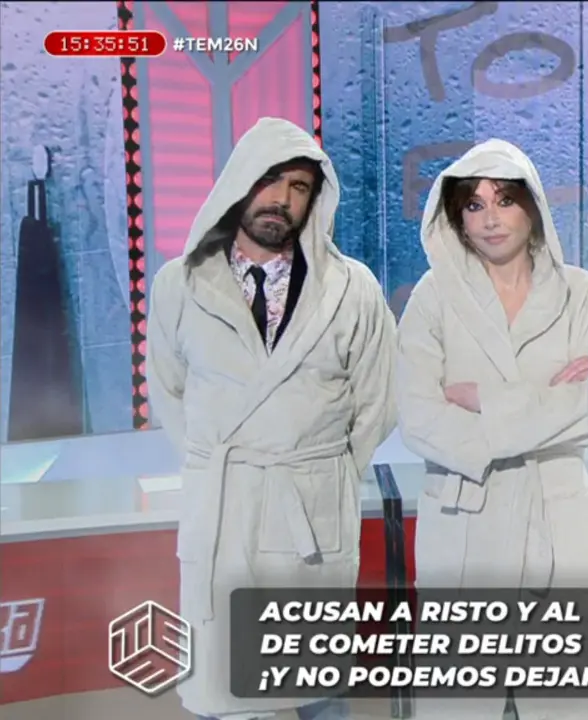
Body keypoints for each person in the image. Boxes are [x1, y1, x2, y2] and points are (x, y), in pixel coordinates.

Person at [146, 117, 398, 720]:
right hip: (223, 510)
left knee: (319, 696)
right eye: (269, 180)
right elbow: (169, 392)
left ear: (316, 199)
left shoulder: (352, 289)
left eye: (299, 186)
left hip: (307, 511)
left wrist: (320, 474)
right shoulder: (179, 284)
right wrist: (219, 464)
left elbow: (380, 401)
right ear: (240, 181)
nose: (281, 199)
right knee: (226, 694)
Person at [396, 139, 588, 719]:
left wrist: (484, 402)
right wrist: (543, 409)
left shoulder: (583, 293)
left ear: (533, 206)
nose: (490, 218)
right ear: (456, 219)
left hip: (559, 523)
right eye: (474, 205)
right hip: (465, 523)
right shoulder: (432, 298)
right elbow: (419, 417)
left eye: (505, 200)